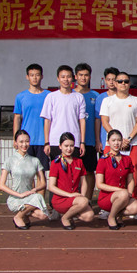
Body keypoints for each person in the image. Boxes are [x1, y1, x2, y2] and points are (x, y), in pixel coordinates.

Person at [41, 66, 87, 194]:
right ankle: (55, 202)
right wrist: (47, 142)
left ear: (73, 78)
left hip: (74, 142)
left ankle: (76, 200)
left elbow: (82, 120)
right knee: (56, 174)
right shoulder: (51, 97)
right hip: (55, 142)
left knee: (74, 174)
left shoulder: (78, 97)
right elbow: (47, 120)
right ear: (58, 78)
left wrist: (82, 142)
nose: (66, 79)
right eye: (63, 77)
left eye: (68, 76)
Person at [100, 71, 137, 197]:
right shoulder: (107, 101)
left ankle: (133, 201)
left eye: (126, 81)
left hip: (132, 144)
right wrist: (116, 140)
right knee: (110, 175)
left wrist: (128, 139)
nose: (123, 83)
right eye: (120, 81)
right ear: (115, 83)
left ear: (129, 83)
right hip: (111, 145)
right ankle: (110, 202)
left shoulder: (136, 101)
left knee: (133, 175)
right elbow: (105, 122)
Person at [0, 130, 48, 229]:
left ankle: (24, 214)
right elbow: (1, 186)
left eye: (27, 141)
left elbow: (43, 183)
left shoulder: (35, 160)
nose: (24, 144)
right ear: (16, 143)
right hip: (16, 198)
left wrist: (34, 190)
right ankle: (18, 217)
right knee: (38, 198)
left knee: (43, 215)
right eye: (21, 142)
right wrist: (19, 195)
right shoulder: (10, 160)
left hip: (30, 197)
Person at [95, 129, 137, 230]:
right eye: (113, 140)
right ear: (108, 142)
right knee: (123, 194)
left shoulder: (127, 159)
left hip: (123, 195)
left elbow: (130, 180)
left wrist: (129, 193)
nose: (116, 143)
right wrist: (120, 190)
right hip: (107, 197)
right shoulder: (103, 160)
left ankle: (118, 215)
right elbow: (99, 184)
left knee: (136, 207)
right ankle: (111, 217)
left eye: (119, 140)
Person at [47, 132, 95, 230]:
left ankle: (70, 213)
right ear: (60, 146)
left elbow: (84, 182)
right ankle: (65, 218)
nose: (69, 149)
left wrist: (82, 196)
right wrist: (69, 195)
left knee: (89, 216)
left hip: (75, 198)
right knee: (84, 202)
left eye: (71, 146)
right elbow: (51, 187)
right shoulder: (55, 163)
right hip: (60, 199)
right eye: (66, 146)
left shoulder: (79, 162)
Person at [13, 63, 49, 172]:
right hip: (26, 141)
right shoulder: (21, 96)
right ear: (27, 77)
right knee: (27, 172)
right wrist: (15, 139)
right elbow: (17, 118)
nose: (34, 78)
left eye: (37, 75)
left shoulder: (49, 95)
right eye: (32, 75)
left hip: (43, 140)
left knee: (41, 172)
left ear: (42, 76)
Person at [74, 63, 98, 199]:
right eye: (81, 75)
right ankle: (74, 201)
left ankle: (87, 200)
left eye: (86, 75)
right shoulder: (70, 94)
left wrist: (97, 140)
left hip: (89, 140)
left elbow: (98, 120)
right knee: (74, 172)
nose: (83, 78)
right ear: (76, 76)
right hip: (74, 142)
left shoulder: (95, 96)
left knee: (89, 171)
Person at [95, 67, 119, 154]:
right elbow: (98, 120)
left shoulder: (123, 97)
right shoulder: (100, 98)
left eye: (114, 79)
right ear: (105, 81)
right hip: (105, 138)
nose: (111, 82)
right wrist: (98, 140)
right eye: (109, 79)